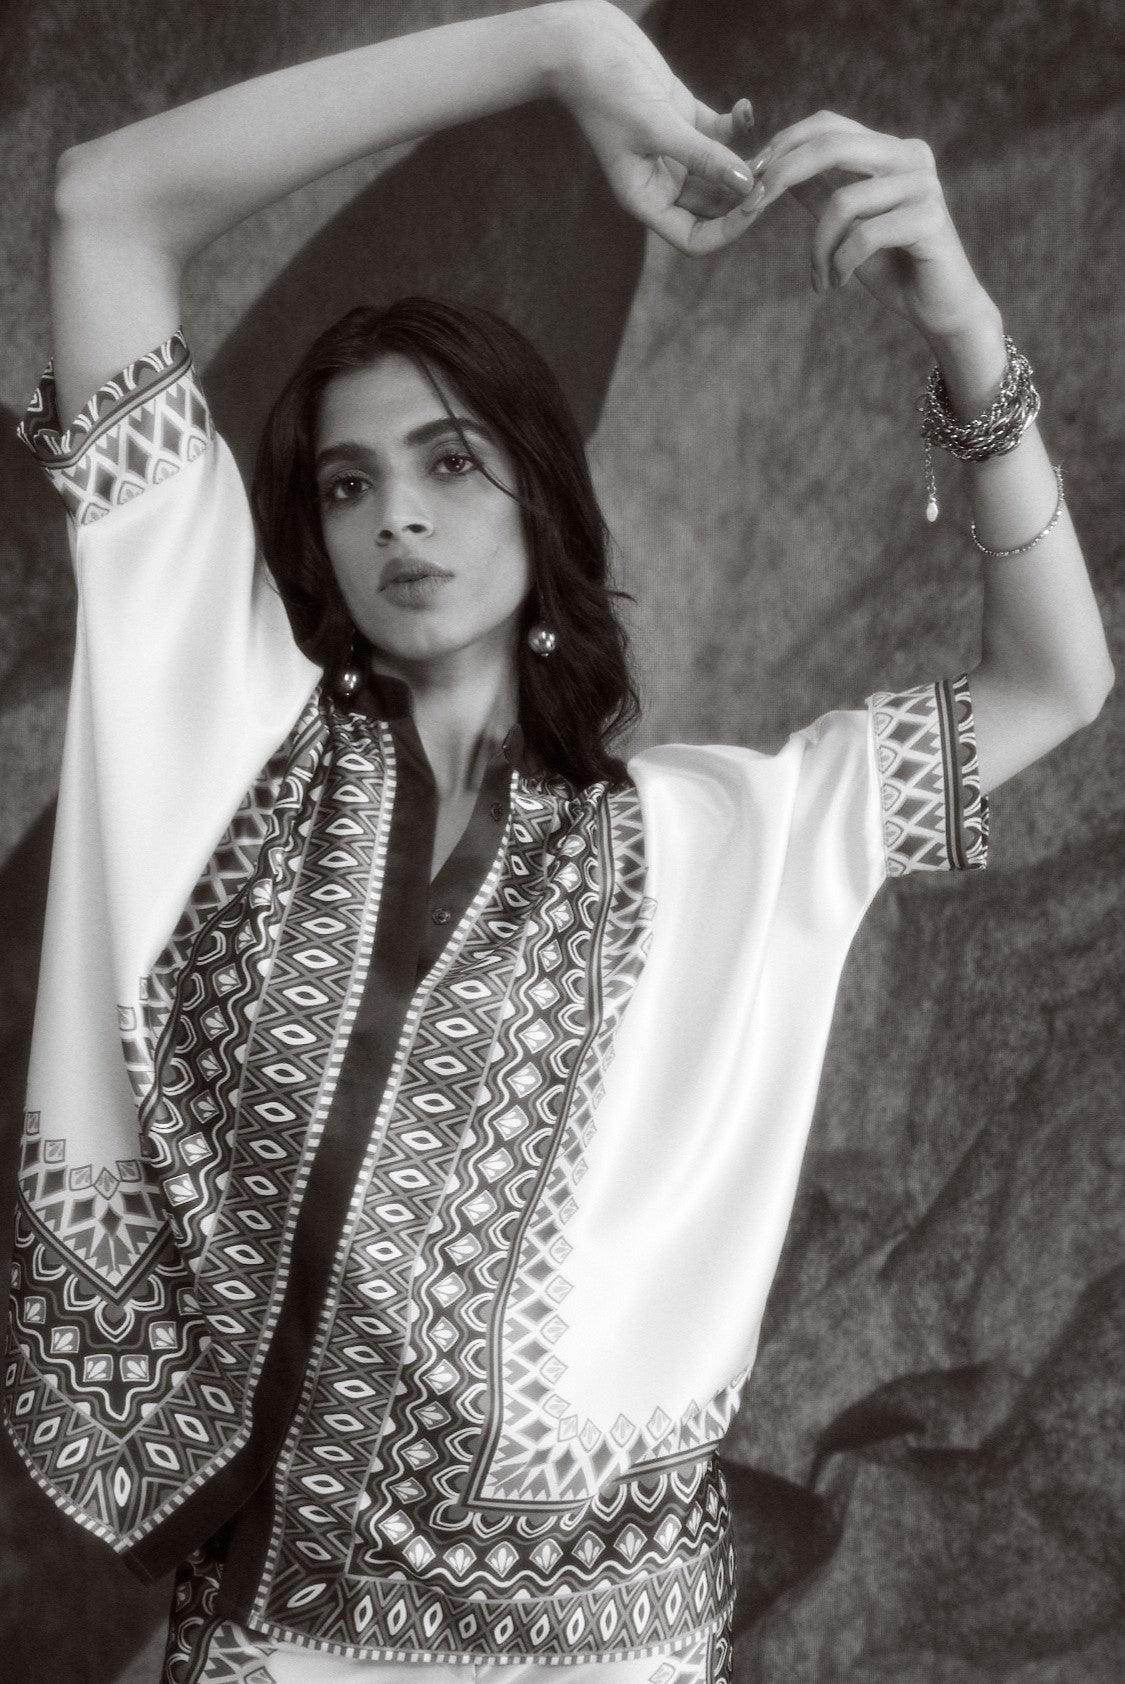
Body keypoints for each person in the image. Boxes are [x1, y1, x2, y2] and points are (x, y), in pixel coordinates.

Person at [4, 2, 1112, 1681]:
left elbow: (1056, 681)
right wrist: (552, 47)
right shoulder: (227, 732)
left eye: (449, 462)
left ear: (542, 500)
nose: (398, 514)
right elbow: (104, 207)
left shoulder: (720, 841)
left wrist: (959, 322)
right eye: (348, 484)